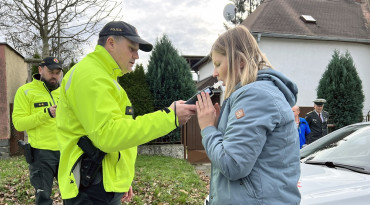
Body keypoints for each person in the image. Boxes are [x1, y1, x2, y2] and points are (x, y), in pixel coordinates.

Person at [56, 21, 197, 204]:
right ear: (111, 43)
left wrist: (120, 178)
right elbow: (108, 135)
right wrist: (169, 117)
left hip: (100, 182)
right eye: (132, 48)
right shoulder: (91, 76)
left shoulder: (103, 76)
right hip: (91, 188)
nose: (137, 56)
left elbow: (115, 132)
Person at [195, 26, 301, 204]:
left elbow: (233, 165)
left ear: (239, 60)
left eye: (218, 64)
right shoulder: (253, 94)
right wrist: (219, 127)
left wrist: (207, 128)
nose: (214, 73)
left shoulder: (255, 95)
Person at [12, 56, 63, 205]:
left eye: (57, 72)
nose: (54, 76)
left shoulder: (65, 92)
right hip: (41, 154)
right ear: (40, 70)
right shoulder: (25, 91)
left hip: (67, 152)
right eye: (51, 71)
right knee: (43, 198)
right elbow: (19, 124)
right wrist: (46, 113)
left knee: (73, 196)